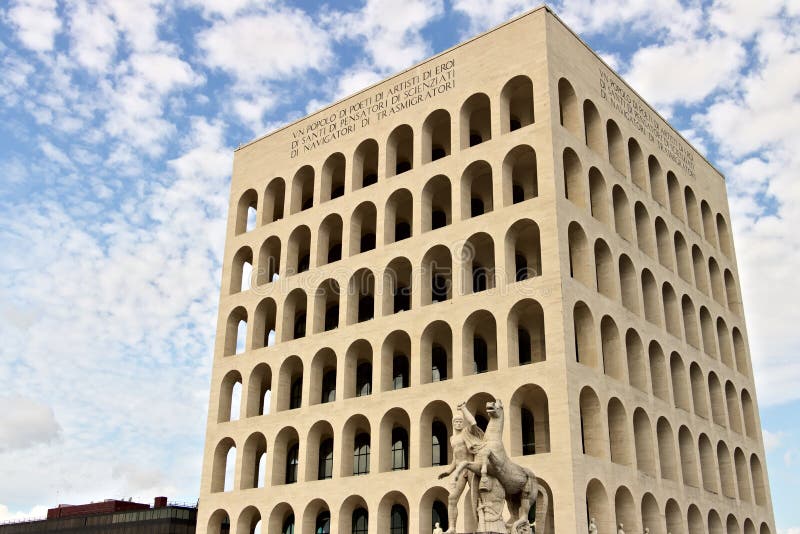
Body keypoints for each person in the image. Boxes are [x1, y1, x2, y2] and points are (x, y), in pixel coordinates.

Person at [438, 402, 485, 533]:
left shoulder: (467, 432)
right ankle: (452, 527)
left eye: (460, 421)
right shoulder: (452, 439)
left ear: (463, 423)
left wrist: (463, 409)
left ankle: (482, 525)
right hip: (459, 470)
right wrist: (448, 472)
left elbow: (473, 422)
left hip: (470, 468)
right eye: (456, 421)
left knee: (477, 497)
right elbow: (455, 458)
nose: (458, 423)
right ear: (453, 424)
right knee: (452, 498)